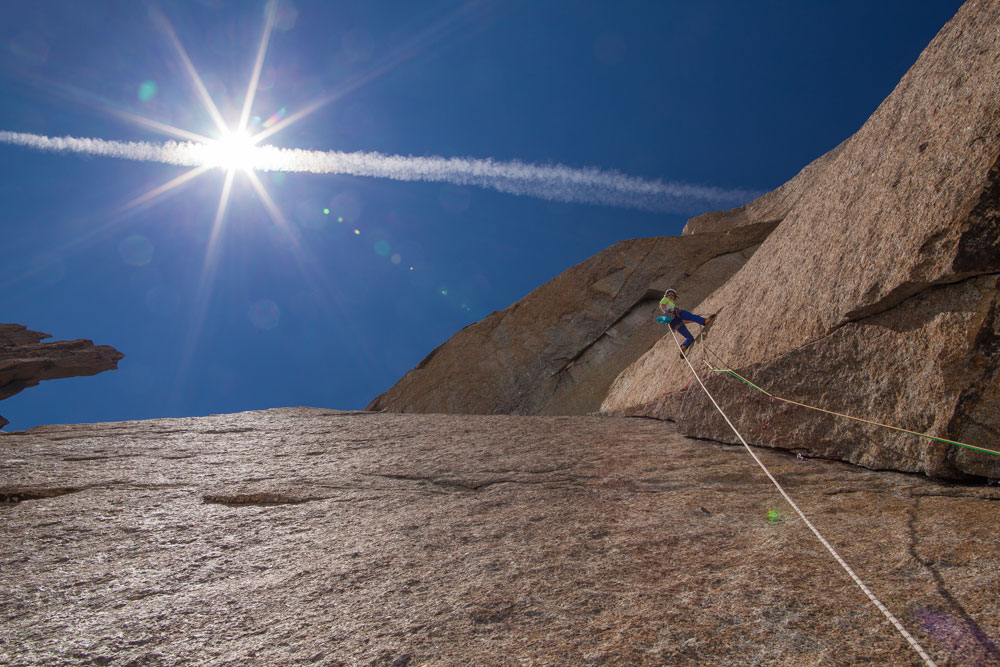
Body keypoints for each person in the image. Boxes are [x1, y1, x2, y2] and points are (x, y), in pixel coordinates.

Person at [658, 288, 713, 357]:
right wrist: (667, 312)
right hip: (676, 312)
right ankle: (704, 321)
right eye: (671, 294)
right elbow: (662, 305)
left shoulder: (672, 302)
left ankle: (684, 347)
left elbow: (683, 321)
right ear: (666, 295)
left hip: (673, 320)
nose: (672, 296)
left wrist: (696, 319)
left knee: (689, 337)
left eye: (673, 295)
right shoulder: (665, 299)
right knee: (690, 315)